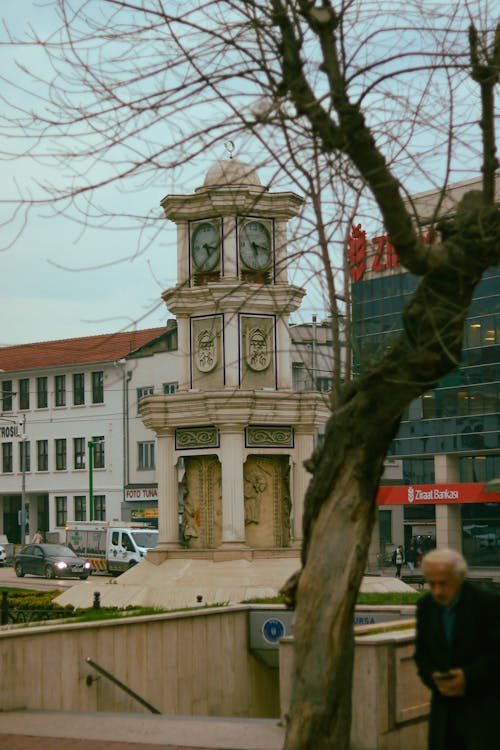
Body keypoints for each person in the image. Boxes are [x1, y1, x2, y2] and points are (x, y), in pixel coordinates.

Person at [414, 547, 500, 749]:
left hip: (484, 713)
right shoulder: (426, 606)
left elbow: (496, 653)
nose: (437, 591)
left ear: (459, 577)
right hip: (443, 717)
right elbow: (422, 655)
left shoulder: (487, 604)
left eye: (443, 583)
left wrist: (467, 677)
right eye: (431, 583)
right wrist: (434, 678)